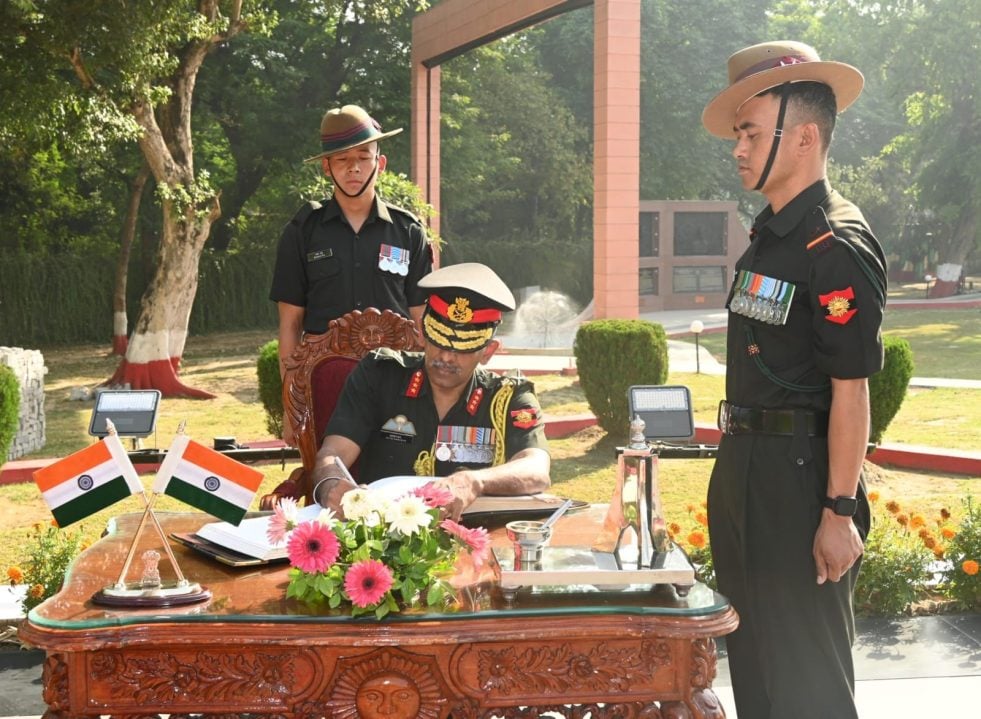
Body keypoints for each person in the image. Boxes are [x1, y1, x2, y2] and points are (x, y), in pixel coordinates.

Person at [701, 41, 887, 719]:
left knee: (807, 682)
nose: (737, 148)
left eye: (750, 132)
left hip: (801, 480)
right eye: (738, 135)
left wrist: (837, 510)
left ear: (803, 136)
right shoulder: (770, 238)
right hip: (747, 468)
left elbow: (850, 387)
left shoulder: (832, 243)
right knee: (755, 672)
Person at [310, 262, 551, 519]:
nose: (446, 357)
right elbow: (334, 453)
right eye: (438, 342)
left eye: (462, 348)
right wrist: (330, 483)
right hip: (384, 536)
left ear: (488, 352)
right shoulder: (380, 374)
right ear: (423, 335)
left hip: (472, 538)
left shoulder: (509, 396)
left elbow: (536, 468)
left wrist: (474, 481)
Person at [269, 104, 433, 378]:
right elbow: (290, 323)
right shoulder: (302, 232)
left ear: (380, 164)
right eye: (342, 159)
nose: (353, 168)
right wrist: (293, 402)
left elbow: (420, 319)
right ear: (326, 166)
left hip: (394, 378)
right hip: (325, 378)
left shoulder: (408, 232)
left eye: (363, 157)